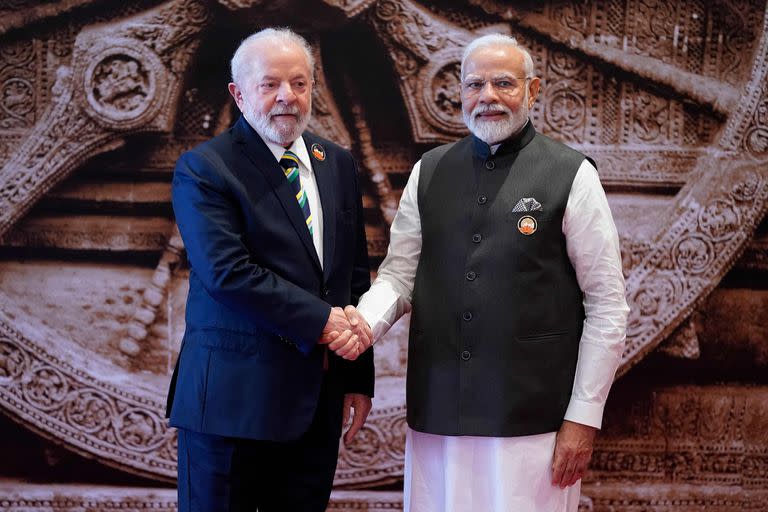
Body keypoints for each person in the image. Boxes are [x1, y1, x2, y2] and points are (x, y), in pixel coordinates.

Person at [351, 33, 629, 511]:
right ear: (458, 93)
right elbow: (399, 277)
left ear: (533, 90)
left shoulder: (571, 174)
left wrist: (584, 418)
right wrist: (360, 327)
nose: (488, 97)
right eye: (475, 84)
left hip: (533, 422)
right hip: (438, 415)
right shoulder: (430, 171)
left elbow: (607, 304)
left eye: (504, 83)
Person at [165, 27, 374, 512]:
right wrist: (324, 323)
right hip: (230, 407)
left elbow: (352, 276)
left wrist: (357, 376)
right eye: (270, 84)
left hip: (316, 405)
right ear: (239, 94)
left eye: (299, 84)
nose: (287, 97)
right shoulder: (205, 168)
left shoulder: (336, 163)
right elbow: (228, 272)